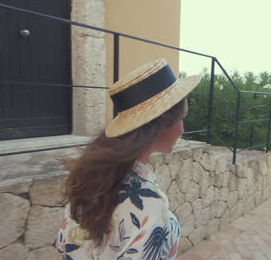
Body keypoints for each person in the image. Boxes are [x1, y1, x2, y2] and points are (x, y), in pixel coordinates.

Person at [56, 58, 201, 260]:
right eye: (182, 118)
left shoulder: (92, 178)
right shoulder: (148, 203)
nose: (182, 130)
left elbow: (66, 244)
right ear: (161, 124)